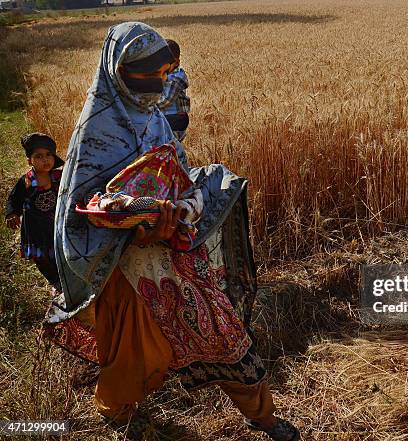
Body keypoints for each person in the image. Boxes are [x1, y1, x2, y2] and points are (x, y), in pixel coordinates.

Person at [45, 22, 299, 441]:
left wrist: (184, 206)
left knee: (225, 333)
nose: (157, 84)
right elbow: (79, 209)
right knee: (132, 353)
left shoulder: (157, 121)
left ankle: (264, 416)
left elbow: (180, 176)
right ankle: (120, 415)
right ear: (116, 71)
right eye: (146, 74)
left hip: (177, 258)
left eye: (163, 74)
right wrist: (130, 222)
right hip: (123, 270)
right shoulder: (95, 134)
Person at [5, 132, 63, 291]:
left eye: (48, 155)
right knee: (41, 256)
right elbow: (13, 199)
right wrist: (12, 213)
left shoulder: (58, 176)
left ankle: (64, 275)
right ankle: (54, 281)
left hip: (54, 222)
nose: (45, 159)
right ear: (29, 161)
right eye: (38, 156)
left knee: (58, 250)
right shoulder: (27, 181)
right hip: (35, 227)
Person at [158, 38, 190, 142]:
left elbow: (165, 101)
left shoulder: (177, 78)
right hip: (167, 117)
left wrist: (145, 104)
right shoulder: (165, 74)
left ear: (177, 62)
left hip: (175, 119)